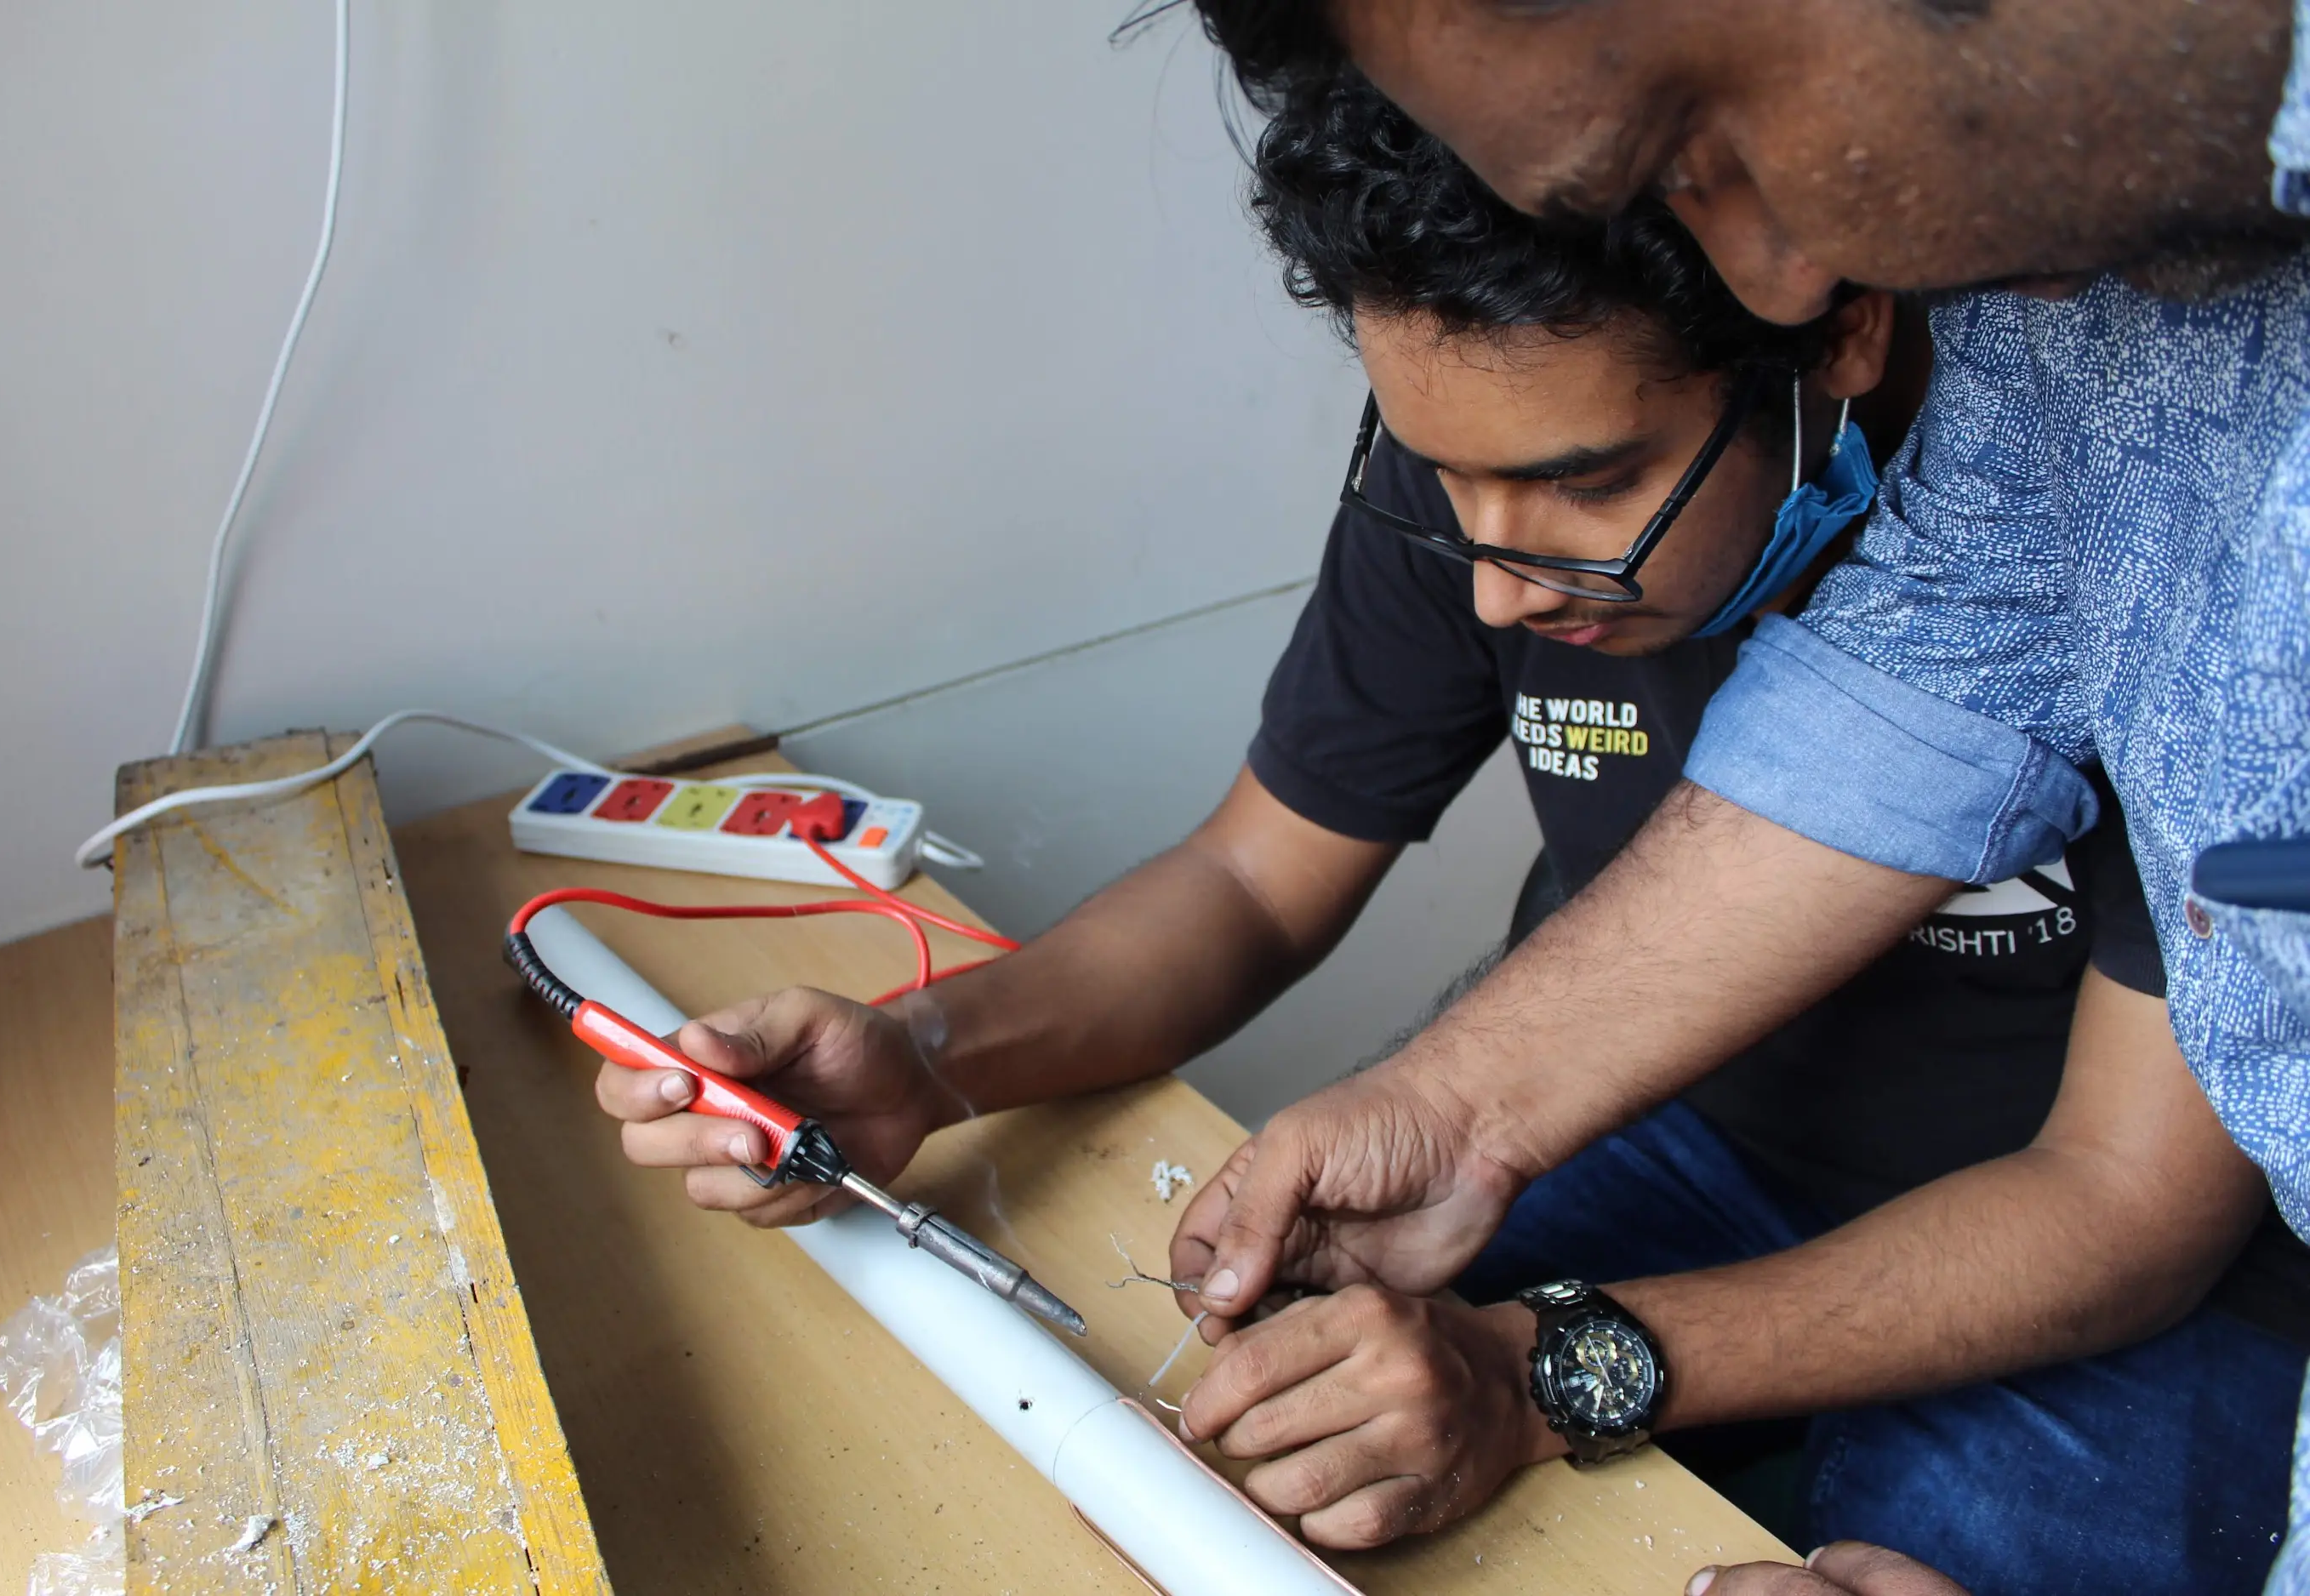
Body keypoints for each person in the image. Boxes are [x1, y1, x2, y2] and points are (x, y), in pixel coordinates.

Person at [593, 71, 2309, 1591]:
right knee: (1222, 1433)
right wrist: (941, 1052)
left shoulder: (2189, 491)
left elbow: (2122, 1202)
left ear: (1830, 316)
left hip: (2097, 1253)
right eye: (1451, 486)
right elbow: (1265, 870)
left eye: (1585, 487)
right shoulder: (1509, 472)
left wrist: (1552, 1365)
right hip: (1682, 1137)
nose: (1496, 582)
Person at [1175, 5, 2310, 1589]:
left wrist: (1548, 1368)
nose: (1781, 279)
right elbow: (1917, 697)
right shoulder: (2087, 333)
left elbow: (2122, 1207)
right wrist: (1452, 1110)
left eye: (1696, 146)